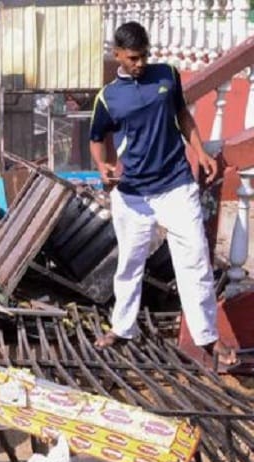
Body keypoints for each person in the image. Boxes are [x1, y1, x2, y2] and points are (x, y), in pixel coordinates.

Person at [89, 21, 238, 369]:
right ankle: (122, 329)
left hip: (175, 184)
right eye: (133, 58)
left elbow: (183, 115)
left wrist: (199, 151)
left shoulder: (167, 75)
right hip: (132, 193)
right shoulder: (108, 98)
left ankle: (208, 337)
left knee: (196, 259)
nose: (140, 63)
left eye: (144, 56)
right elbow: (97, 138)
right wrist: (102, 166)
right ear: (118, 56)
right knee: (129, 263)